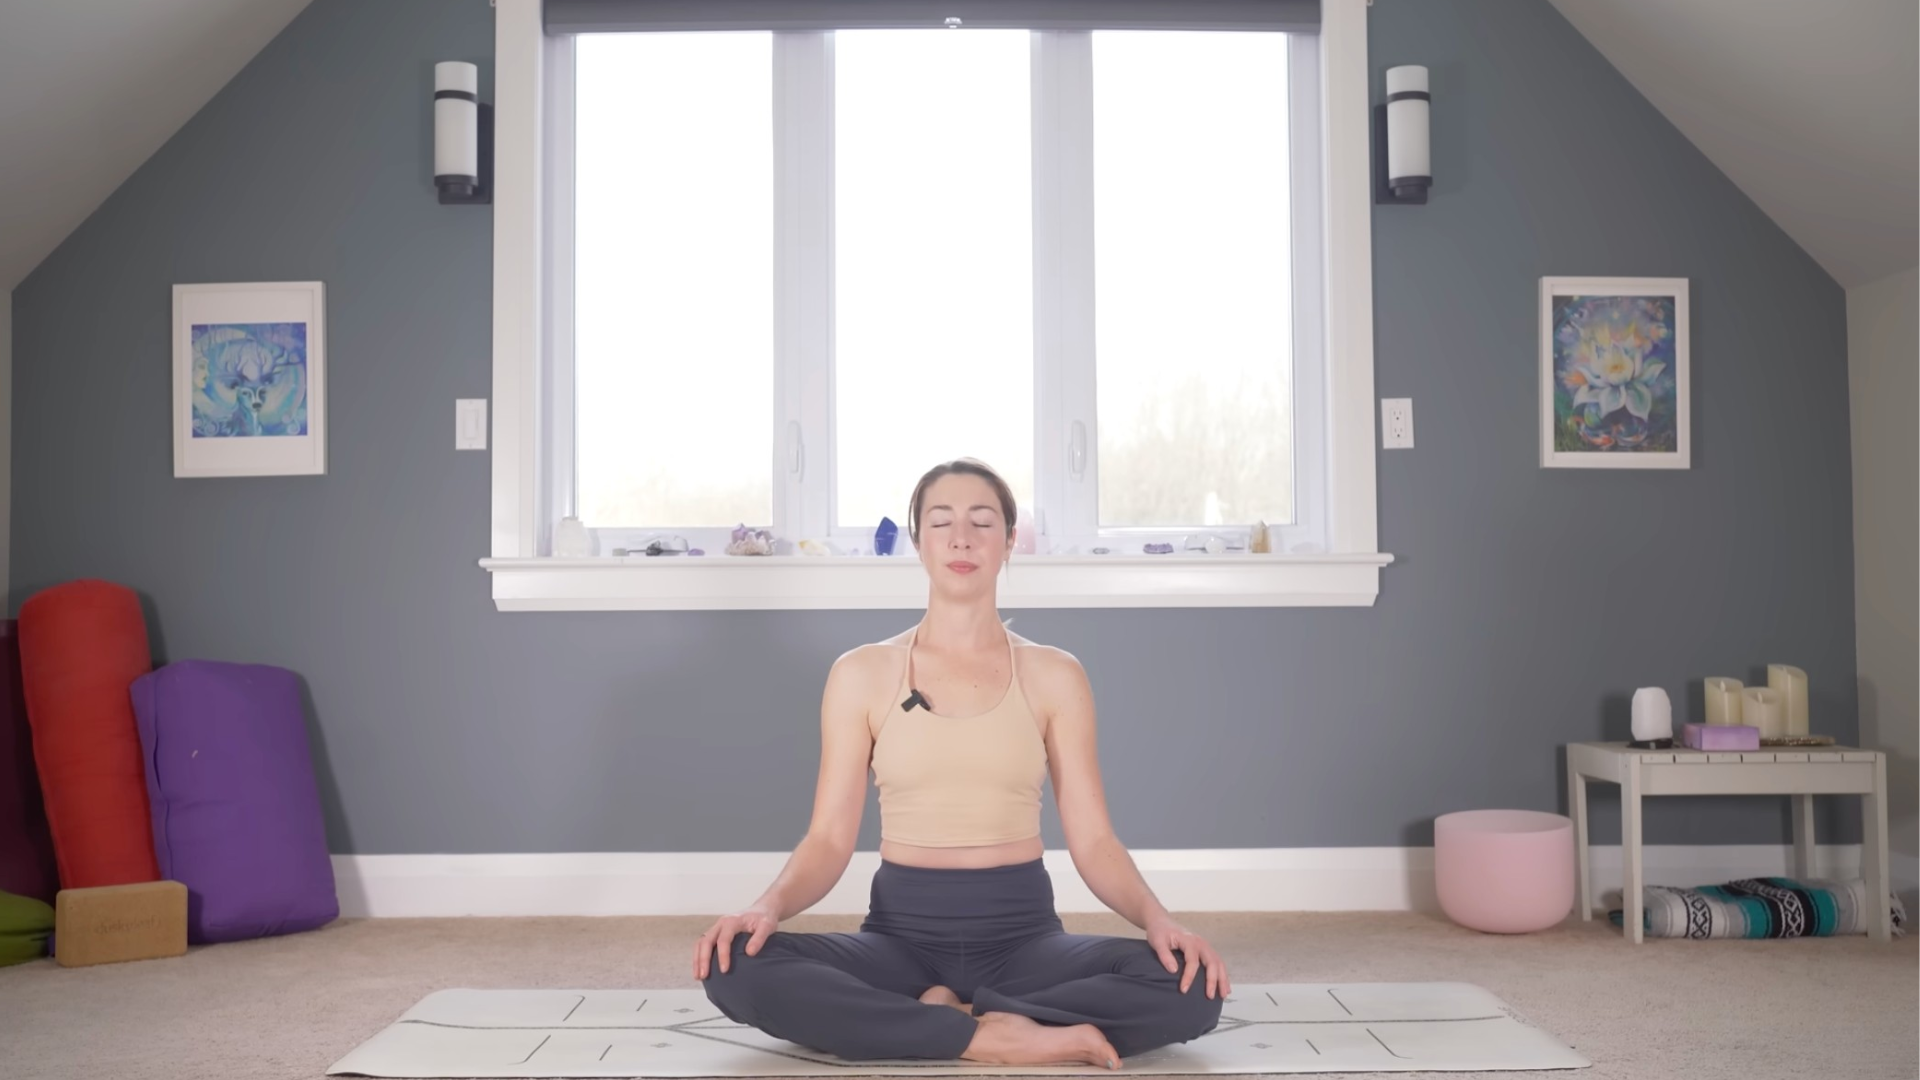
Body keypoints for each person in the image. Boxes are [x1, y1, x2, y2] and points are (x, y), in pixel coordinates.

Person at [693, 458, 1229, 1069]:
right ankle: (998, 1034)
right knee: (734, 965)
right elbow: (827, 839)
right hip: (899, 942)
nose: (962, 537)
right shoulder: (860, 674)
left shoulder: (1055, 674)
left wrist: (1161, 922)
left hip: (1024, 940)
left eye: (983, 522)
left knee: (1192, 986)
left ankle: (937, 1021)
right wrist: (765, 907)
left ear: (1008, 543)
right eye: (942, 521)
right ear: (918, 541)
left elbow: (1095, 839)